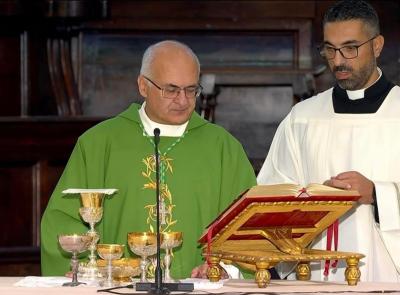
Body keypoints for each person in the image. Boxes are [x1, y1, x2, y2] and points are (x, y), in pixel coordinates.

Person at [41, 40, 256, 278]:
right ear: (143, 86)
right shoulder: (99, 143)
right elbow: (61, 220)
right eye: (171, 90)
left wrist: (224, 270)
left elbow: (250, 229)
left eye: (191, 90)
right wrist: (87, 269)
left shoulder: (223, 148)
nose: (183, 100)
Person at [258, 0, 400, 282]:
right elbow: (271, 198)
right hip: (314, 277)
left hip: (388, 276)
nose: (338, 61)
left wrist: (377, 194)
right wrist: (311, 198)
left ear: (377, 45)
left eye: (350, 48)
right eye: (330, 49)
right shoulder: (302, 118)